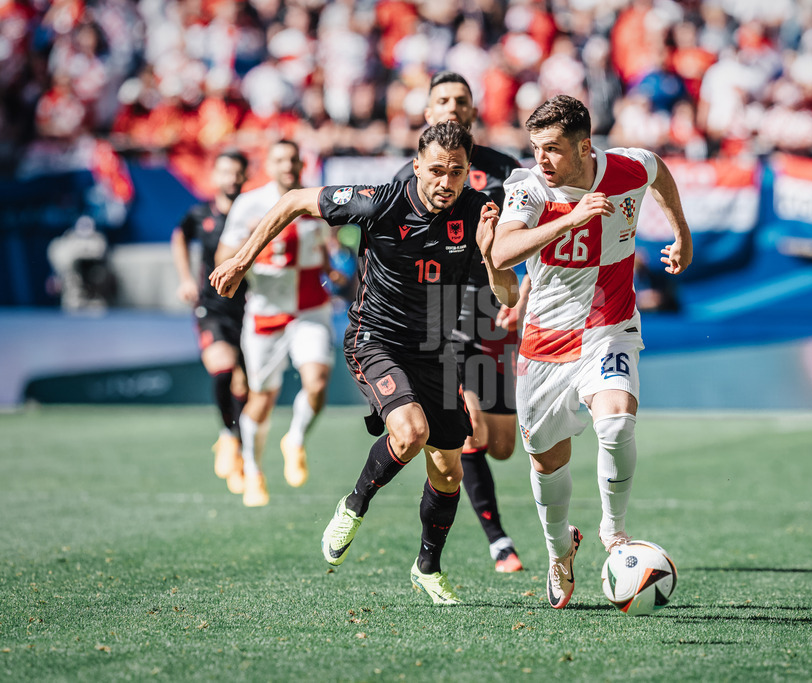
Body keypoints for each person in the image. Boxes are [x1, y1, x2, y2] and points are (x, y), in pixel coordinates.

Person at [210, 121, 519, 604]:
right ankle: (354, 505)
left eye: (456, 172)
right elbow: (293, 201)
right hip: (377, 339)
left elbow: (509, 294)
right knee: (410, 432)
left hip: (436, 348)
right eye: (436, 170)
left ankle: (427, 568)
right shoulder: (382, 201)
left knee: (448, 472)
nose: (446, 181)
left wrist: (490, 255)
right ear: (416, 167)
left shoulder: (480, 212)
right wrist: (241, 260)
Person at [491, 95, 693, 609]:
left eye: (553, 148)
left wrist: (681, 232)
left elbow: (658, 170)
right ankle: (560, 551)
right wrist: (570, 218)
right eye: (536, 147)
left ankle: (614, 531)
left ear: (585, 147)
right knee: (547, 465)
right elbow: (502, 251)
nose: (541, 158)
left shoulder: (626, 167)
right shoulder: (529, 188)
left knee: (617, 422)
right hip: (545, 344)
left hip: (610, 328)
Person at [394, 71, 530, 573]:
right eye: (443, 100)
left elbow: (534, 242)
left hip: (494, 312)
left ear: (473, 111)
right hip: (439, 313)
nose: (452, 107)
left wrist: (523, 296)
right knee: (467, 429)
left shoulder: (507, 171)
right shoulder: (406, 179)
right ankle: (499, 542)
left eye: (461, 100)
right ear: (428, 112)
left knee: (503, 445)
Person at [215, 139, 337, 508]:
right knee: (262, 399)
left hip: (311, 308)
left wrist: (335, 271)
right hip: (266, 312)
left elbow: (326, 249)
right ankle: (253, 471)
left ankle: (294, 440)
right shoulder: (250, 204)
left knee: (317, 383)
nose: (289, 165)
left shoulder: (318, 200)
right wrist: (252, 242)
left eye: (294, 159)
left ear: (302, 165)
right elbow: (223, 256)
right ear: (268, 165)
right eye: (280, 159)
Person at [170, 149, 250, 495]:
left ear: (245, 176)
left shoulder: (253, 214)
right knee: (222, 368)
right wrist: (186, 278)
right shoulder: (199, 214)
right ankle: (228, 434)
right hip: (211, 308)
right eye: (225, 172)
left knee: (245, 386)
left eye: (237, 172)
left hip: (249, 310)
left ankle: (240, 447)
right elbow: (179, 236)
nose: (231, 178)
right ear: (215, 176)